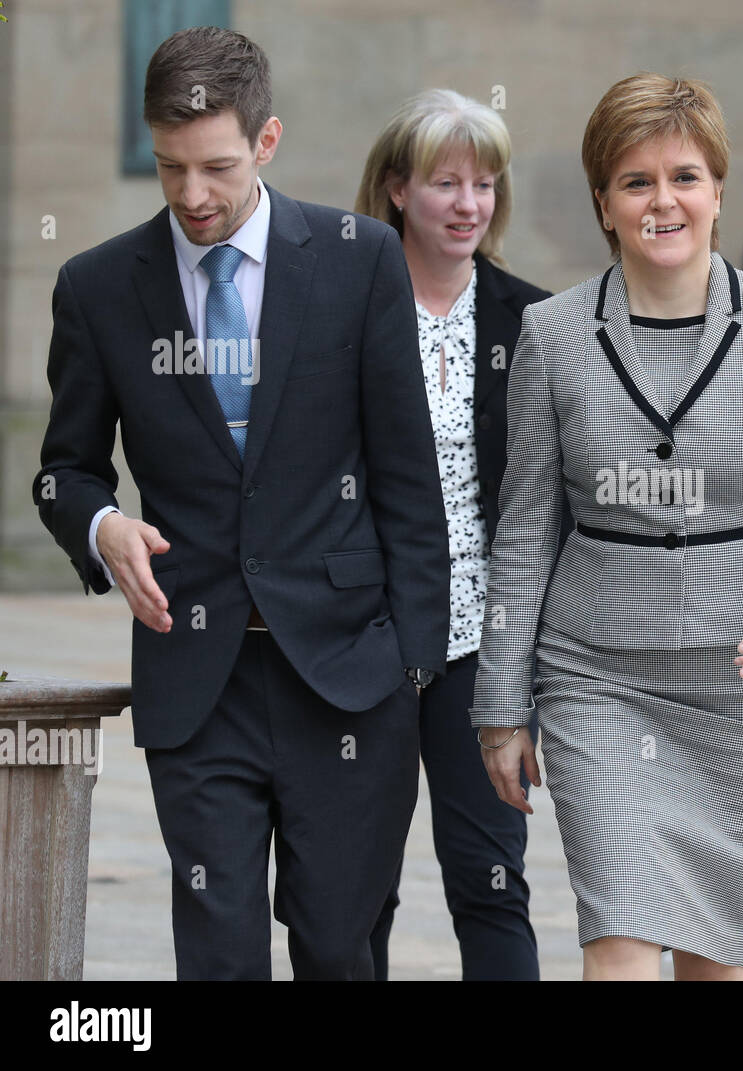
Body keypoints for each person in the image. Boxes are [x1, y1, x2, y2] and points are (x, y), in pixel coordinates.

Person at [31, 27, 449, 980]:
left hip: (349, 677)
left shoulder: (359, 259)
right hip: (195, 677)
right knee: (218, 955)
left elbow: (408, 479)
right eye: (169, 166)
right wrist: (101, 525)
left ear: (267, 141)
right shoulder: (96, 286)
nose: (192, 194)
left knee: (340, 949)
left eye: (216, 166)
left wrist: (412, 668)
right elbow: (65, 471)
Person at [469, 73, 743, 981]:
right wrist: (500, 705)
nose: (663, 201)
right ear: (604, 203)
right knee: (621, 938)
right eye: (636, 181)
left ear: (719, 190)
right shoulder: (551, 333)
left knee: (714, 963)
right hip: (599, 676)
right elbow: (525, 529)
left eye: (685, 176)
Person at [354, 88, 551, 981]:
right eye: (446, 183)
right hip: (366, 639)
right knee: (355, 890)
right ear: (398, 189)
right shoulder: (346, 311)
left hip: (483, 644)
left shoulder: (532, 320)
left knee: (492, 879)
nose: (470, 204)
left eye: (485, 183)